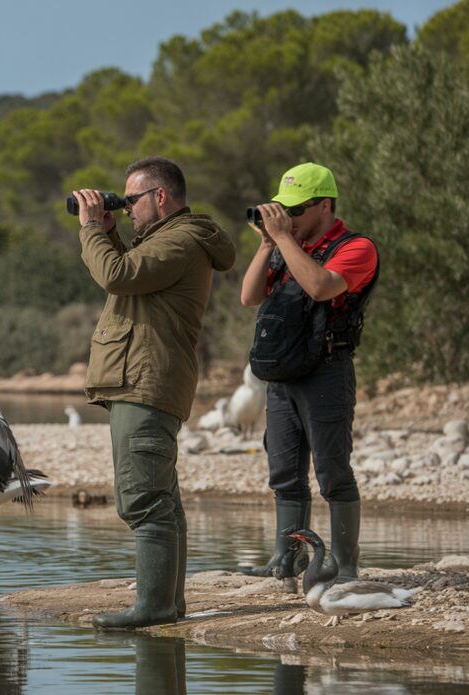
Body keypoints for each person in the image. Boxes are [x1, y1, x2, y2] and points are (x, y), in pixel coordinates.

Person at [73, 157, 236, 628]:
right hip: (144, 380)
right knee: (160, 498)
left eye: (131, 200)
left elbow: (117, 277)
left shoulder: (182, 240)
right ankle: (167, 603)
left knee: (143, 499)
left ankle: (155, 606)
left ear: (160, 197)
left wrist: (90, 229)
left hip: (146, 383)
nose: (125, 208)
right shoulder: (172, 240)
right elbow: (134, 277)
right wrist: (108, 231)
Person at [238, 162, 378, 583]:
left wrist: (283, 238)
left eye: (296, 210)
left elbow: (321, 287)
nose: (289, 218)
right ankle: (287, 558)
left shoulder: (357, 247)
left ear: (325, 205)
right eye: (284, 210)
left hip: (327, 374)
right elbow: (248, 297)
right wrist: (267, 244)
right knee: (283, 474)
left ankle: (344, 564)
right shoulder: (284, 247)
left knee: (333, 472)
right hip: (283, 378)